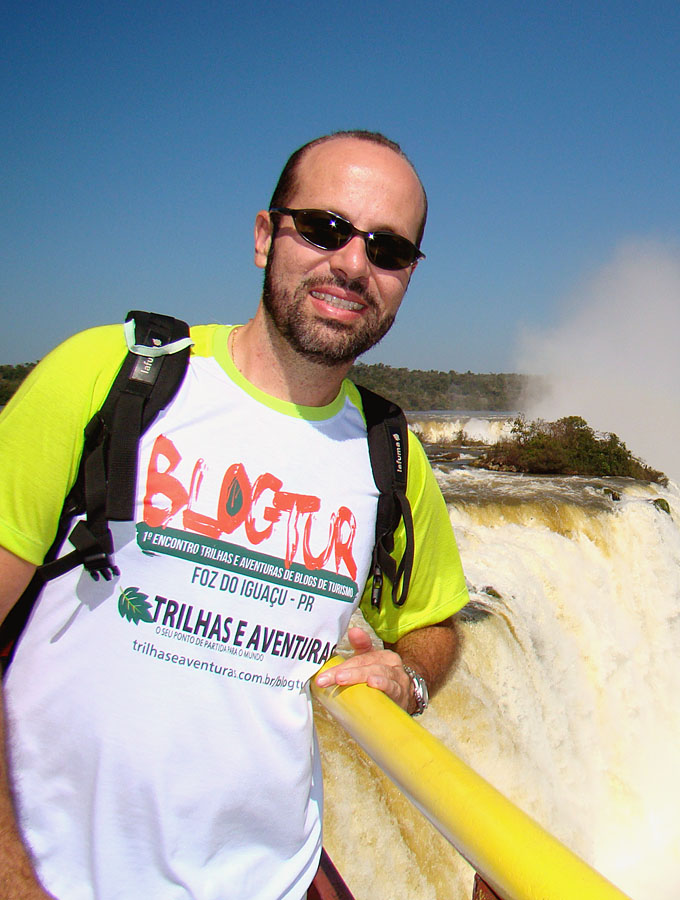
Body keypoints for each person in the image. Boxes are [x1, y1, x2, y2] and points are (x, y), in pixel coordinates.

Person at [0, 131, 470, 899]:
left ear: (408, 277)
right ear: (265, 235)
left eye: (387, 249)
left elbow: (437, 623)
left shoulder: (391, 459)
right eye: (324, 228)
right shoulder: (110, 378)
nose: (353, 264)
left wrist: (408, 676)